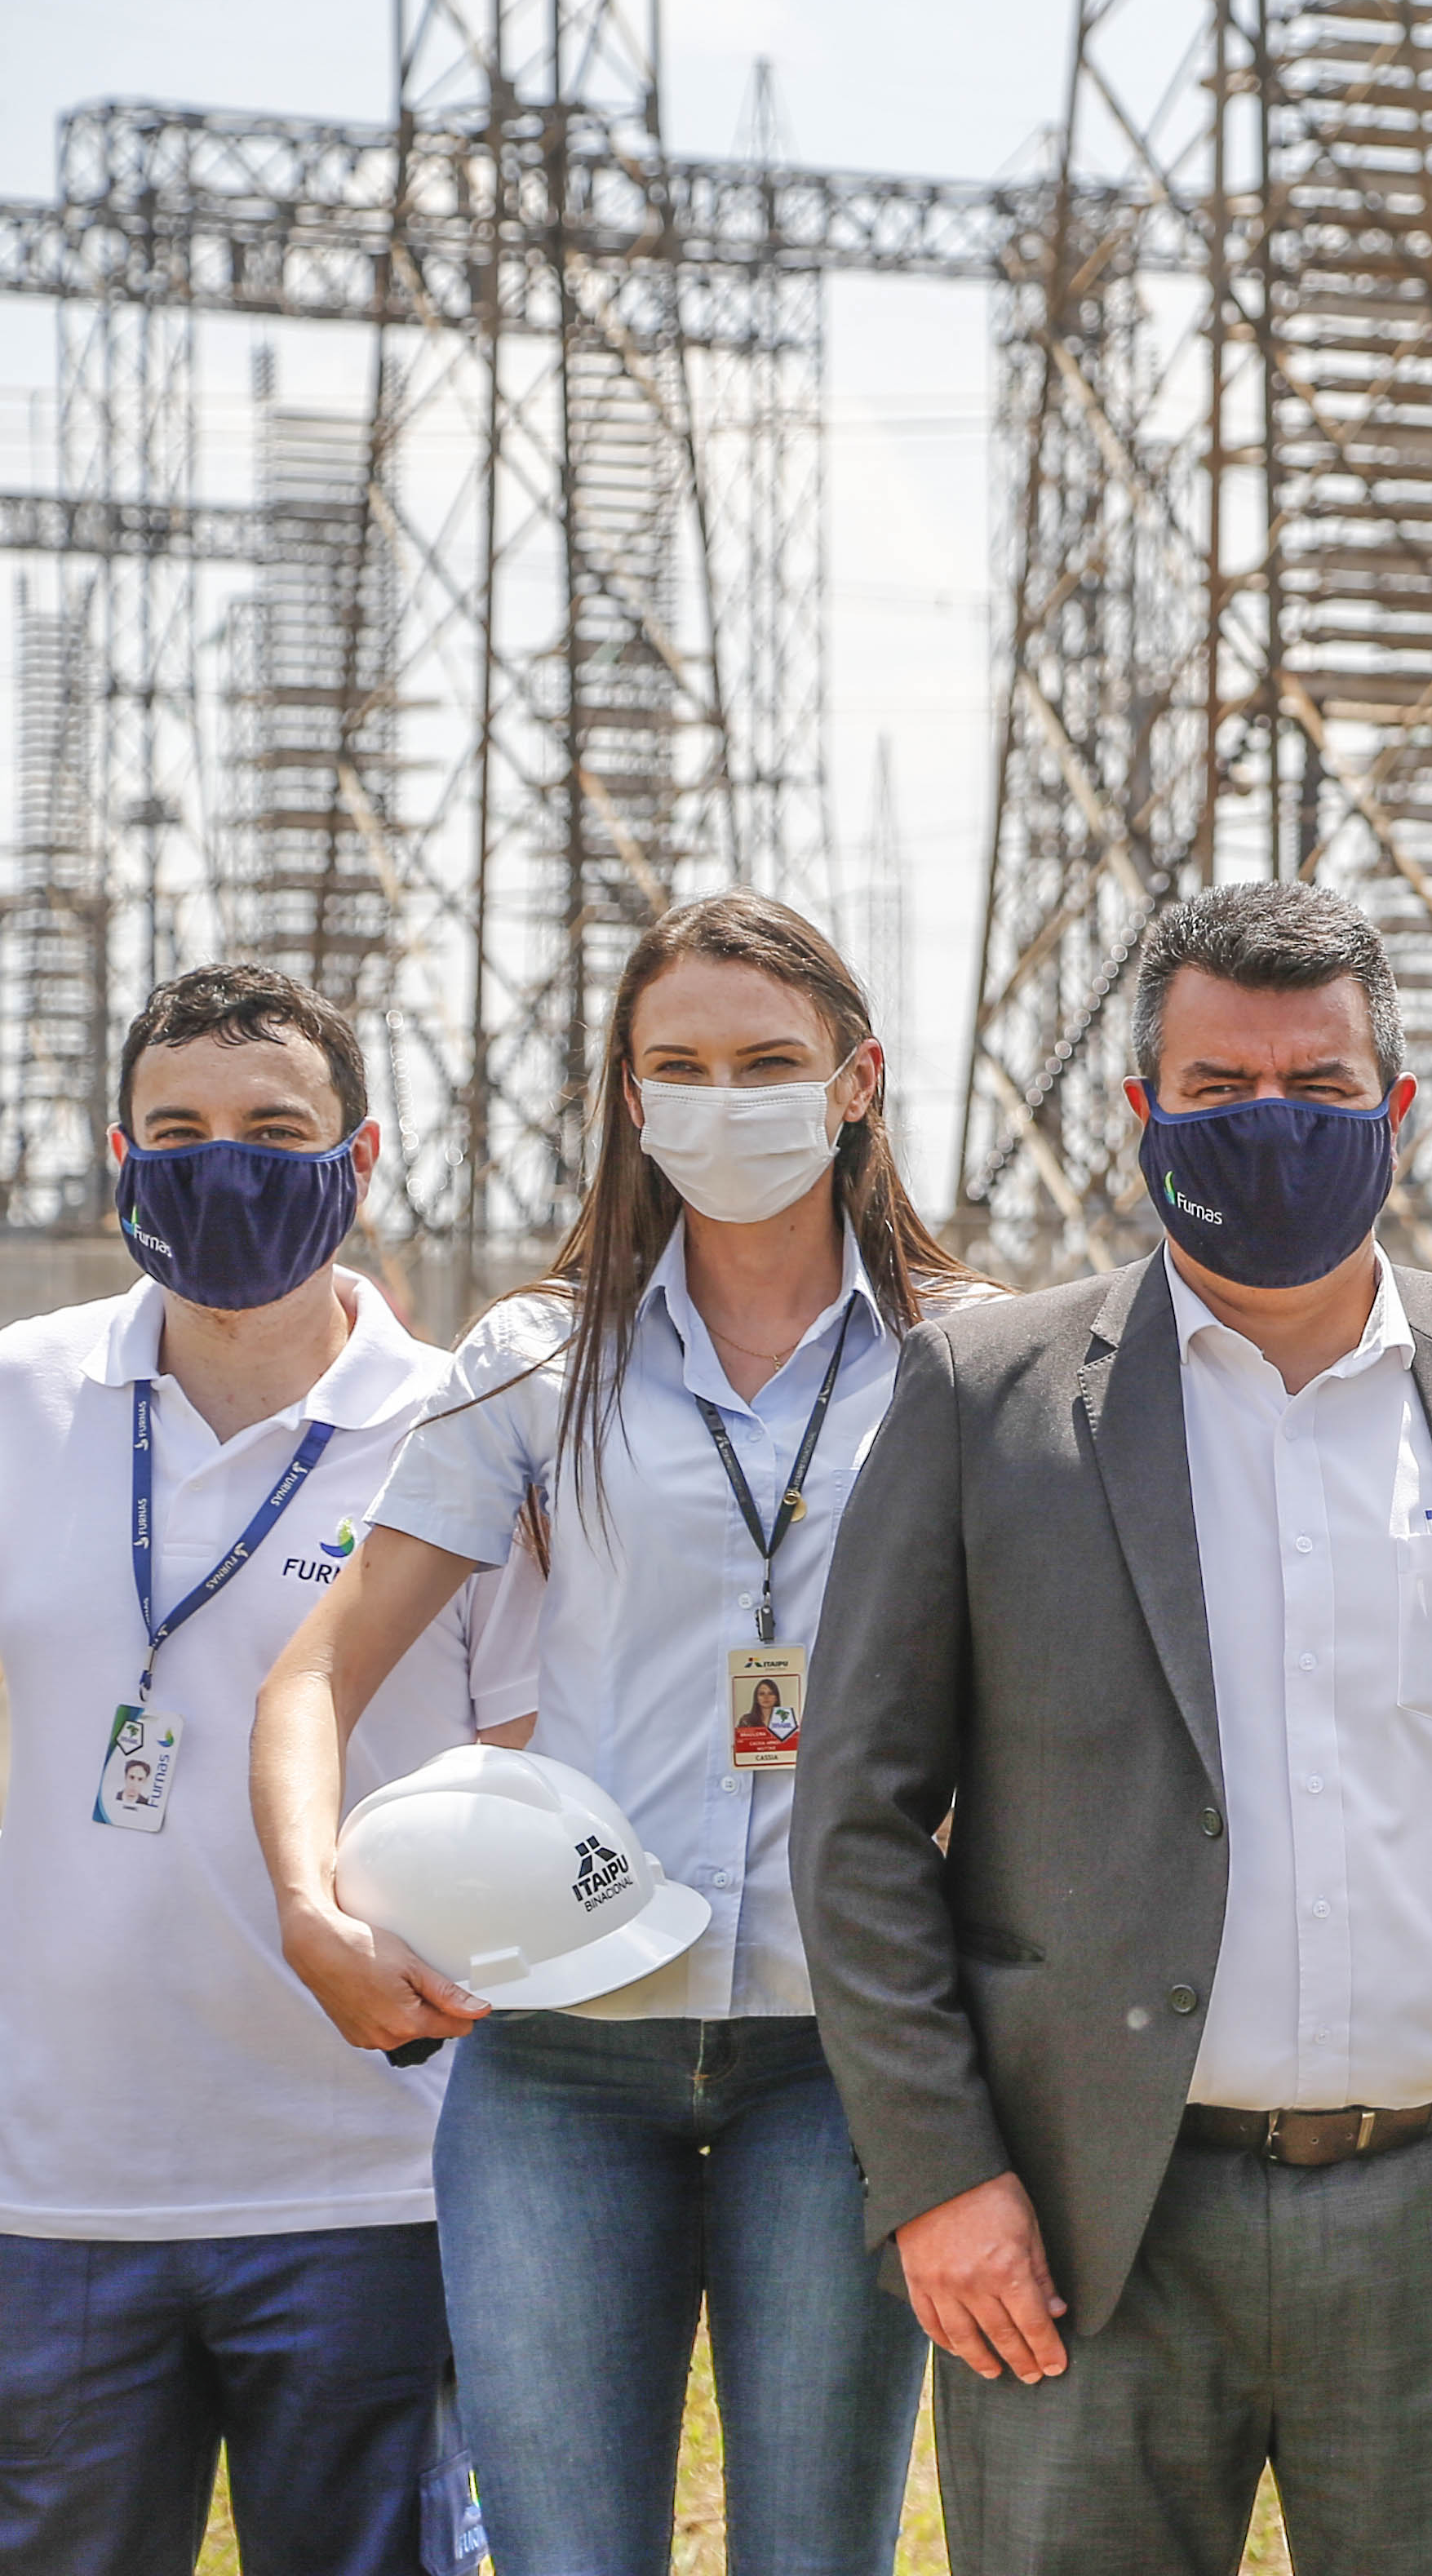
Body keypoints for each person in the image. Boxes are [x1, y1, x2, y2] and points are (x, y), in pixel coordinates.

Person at [792, 881, 1432, 2576]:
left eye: (1318, 1089)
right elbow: (857, 1820)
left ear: (1396, 1110)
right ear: (1143, 1109)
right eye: (1219, 1088)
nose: (1270, 1123)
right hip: (1086, 2219)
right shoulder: (984, 1399)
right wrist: (938, 2174)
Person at [255, 893, 964, 2576]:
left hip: (848, 2057)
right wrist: (309, 1909)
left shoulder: (970, 1358)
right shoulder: (537, 1359)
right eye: (681, 1067)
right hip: (560, 2060)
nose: (726, 1100)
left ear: (857, 1082)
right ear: (633, 1097)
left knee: (818, 2554)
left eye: (769, 1063)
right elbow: (313, 1677)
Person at [0, 965, 531, 2576]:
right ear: (119, 1157)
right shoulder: (21, 1399)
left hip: (373, 2186)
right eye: (177, 1132)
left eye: (275, 1131)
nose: (221, 1164)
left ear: (359, 1159)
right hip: (55, 2195)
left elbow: (530, 1775)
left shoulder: (469, 1429)